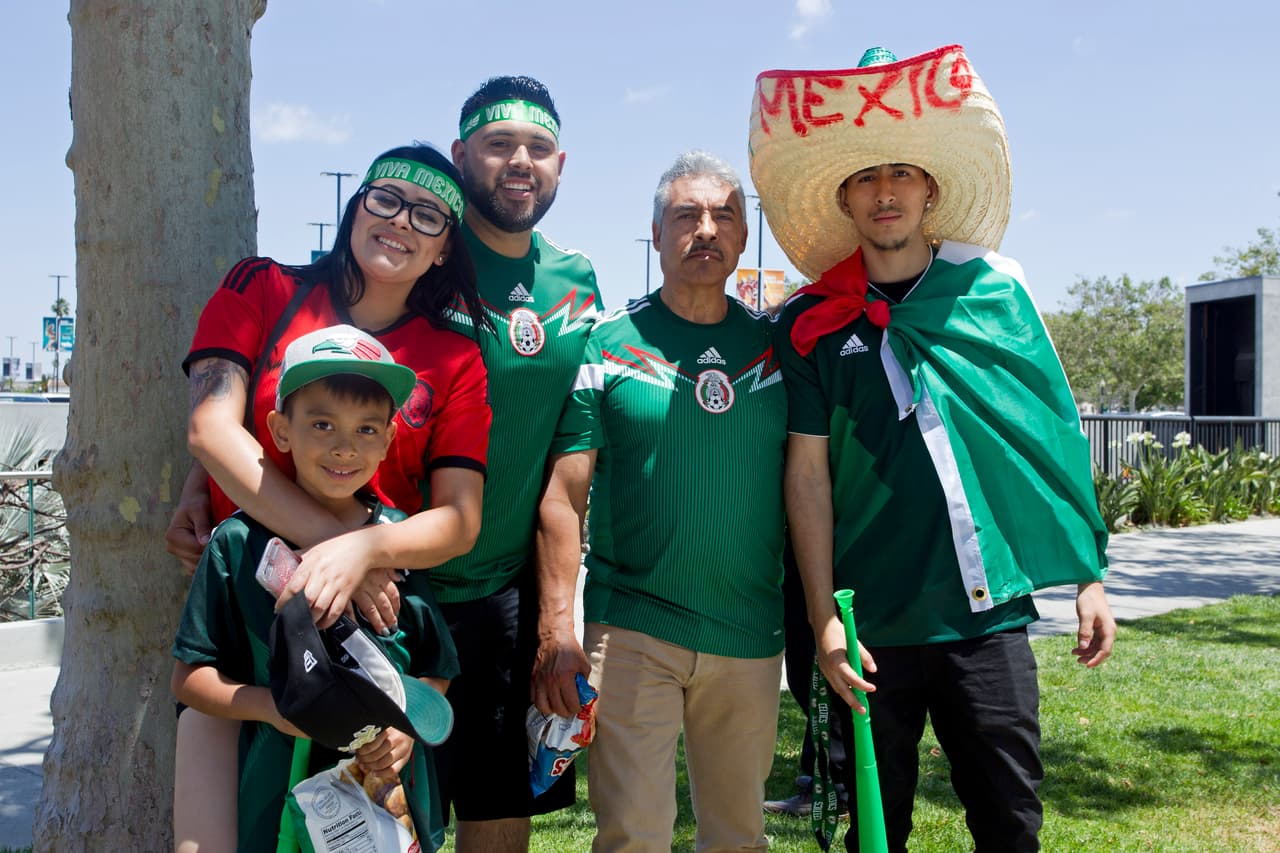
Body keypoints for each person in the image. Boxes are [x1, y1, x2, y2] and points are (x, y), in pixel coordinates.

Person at [749, 46, 1116, 852]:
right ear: (845, 195)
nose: (886, 192)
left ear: (931, 189)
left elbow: (1045, 435)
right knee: (875, 836)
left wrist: (1087, 574)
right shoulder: (809, 322)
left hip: (986, 619)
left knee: (1011, 824)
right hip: (868, 624)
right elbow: (805, 475)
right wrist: (822, 621)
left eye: (903, 173)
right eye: (868, 176)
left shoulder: (992, 292)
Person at [166, 143, 491, 852]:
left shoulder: (458, 356)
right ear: (356, 207)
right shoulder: (263, 288)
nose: (402, 221)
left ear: (445, 249)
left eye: (429, 214)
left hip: (376, 642)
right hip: (245, 641)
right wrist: (336, 550)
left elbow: (460, 516)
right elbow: (210, 428)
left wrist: (366, 550)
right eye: (386, 199)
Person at [536, 150, 787, 852]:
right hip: (635, 627)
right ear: (655, 234)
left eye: (723, 216)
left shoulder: (777, 350)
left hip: (750, 632)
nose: (706, 229)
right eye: (687, 215)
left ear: (743, 236)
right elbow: (564, 495)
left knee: (740, 835)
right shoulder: (609, 344)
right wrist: (559, 630)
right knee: (632, 835)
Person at [171, 324, 460, 851]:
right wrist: (272, 709)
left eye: (367, 430)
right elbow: (190, 680)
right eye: (322, 424)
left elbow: (435, 672)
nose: (345, 447)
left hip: (387, 810)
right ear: (280, 430)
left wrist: (403, 732)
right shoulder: (237, 544)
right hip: (271, 802)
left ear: (391, 439)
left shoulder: (399, 542)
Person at [415, 75, 601, 853]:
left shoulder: (578, 282)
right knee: (383, 808)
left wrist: (560, 621)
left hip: (505, 598)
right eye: (498, 145)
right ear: (461, 157)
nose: (519, 162)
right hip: (399, 589)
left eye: (537, 148)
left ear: (561, 163)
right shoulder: (420, 258)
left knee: (499, 810)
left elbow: (570, 463)